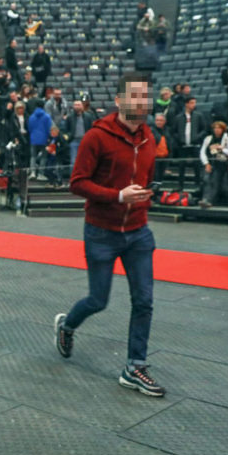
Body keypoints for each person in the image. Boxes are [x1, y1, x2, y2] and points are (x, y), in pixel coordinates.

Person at [54, 73, 165, 398]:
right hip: (101, 231)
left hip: (139, 232)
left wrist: (145, 196)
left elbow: (148, 176)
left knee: (144, 301)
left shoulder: (149, 138)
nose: (141, 102)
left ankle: (135, 366)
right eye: (135, 96)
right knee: (98, 300)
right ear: (118, 100)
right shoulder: (96, 137)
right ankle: (67, 325)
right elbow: (77, 182)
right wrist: (118, 196)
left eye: (145, 97)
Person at [198, 121, 228, 208]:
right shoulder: (208, 139)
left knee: (215, 180)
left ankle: (209, 200)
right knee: (206, 180)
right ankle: (205, 199)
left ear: (223, 130)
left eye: (219, 128)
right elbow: (202, 152)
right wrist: (206, 163)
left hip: (222, 164)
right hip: (210, 163)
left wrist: (222, 149)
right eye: (215, 128)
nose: (217, 130)